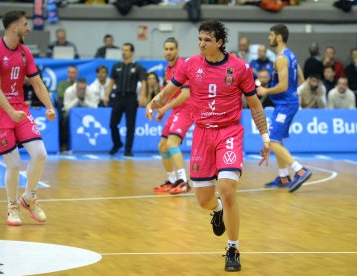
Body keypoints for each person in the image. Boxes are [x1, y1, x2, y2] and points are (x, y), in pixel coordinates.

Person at [146, 19, 270, 272]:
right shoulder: (190, 64)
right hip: (202, 134)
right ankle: (218, 210)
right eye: (200, 39)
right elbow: (169, 90)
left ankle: (232, 248)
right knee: (204, 200)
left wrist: (265, 138)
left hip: (229, 133)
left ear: (220, 43)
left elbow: (255, 105)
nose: (202, 44)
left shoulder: (240, 68)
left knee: (226, 186)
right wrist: (155, 102)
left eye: (207, 40)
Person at [0, 10, 56, 226]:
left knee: (40, 154)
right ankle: (12, 206)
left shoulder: (25, 53)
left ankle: (29, 198)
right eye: (25, 24)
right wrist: (10, 112)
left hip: (19, 108)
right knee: (13, 164)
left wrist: (49, 106)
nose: (28, 28)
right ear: (15, 27)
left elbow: (37, 83)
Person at [257, 24, 312, 192]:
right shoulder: (291, 55)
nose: (269, 38)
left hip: (286, 104)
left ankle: (300, 170)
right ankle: (283, 177)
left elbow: (283, 85)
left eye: (271, 35)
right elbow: (302, 80)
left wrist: (266, 90)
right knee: (277, 140)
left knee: (272, 142)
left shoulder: (281, 58)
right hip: (287, 103)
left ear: (279, 37)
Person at [152, 37, 192, 195]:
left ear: (177, 50)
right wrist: (156, 105)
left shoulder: (182, 66)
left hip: (188, 108)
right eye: (166, 49)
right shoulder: (167, 69)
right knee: (162, 146)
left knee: (172, 143)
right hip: (176, 109)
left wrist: (164, 109)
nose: (168, 52)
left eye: (171, 49)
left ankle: (183, 181)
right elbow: (169, 93)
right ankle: (171, 180)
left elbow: (185, 95)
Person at [104, 43, 147, 157]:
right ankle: (117, 143)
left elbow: (143, 82)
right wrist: (107, 95)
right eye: (123, 50)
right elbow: (111, 81)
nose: (124, 52)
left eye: (127, 50)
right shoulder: (116, 65)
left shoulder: (138, 66)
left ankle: (128, 149)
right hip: (118, 97)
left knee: (130, 126)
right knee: (113, 124)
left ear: (132, 52)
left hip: (131, 98)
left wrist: (142, 97)